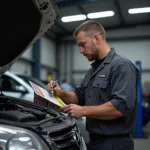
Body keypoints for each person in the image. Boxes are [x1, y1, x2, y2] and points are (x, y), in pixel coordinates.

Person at [46, 20, 139, 150]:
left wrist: (83, 111)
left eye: (83, 45)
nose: (80, 51)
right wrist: (60, 93)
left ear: (96, 38)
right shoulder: (93, 71)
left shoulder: (122, 66)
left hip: (115, 143)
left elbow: (120, 107)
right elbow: (79, 96)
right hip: (96, 141)